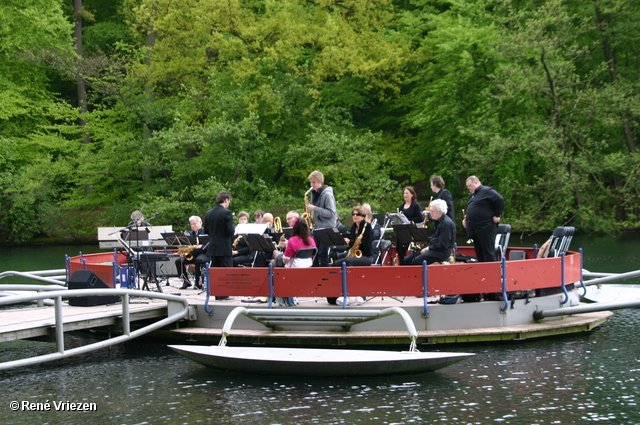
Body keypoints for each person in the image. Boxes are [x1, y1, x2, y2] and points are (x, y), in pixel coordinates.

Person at [462, 176, 505, 263]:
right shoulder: (472, 196)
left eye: (469, 185)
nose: (468, 188)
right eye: (467, 186)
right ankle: (481, 273)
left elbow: (499, 199)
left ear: (476, 183)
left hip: (485, 227)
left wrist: (497, 215)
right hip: (475, 228)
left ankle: (491, 273)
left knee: (488, 252)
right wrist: (467, 220)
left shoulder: (486, 191)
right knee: (479, 252)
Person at [403, 200, 456, 265]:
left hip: (442, 252)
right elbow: (436, 238)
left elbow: (443, 244)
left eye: (432, 211)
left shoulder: (445, 224)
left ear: (440, 212)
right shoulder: (438, 221)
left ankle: (416, 275)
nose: (430, 213)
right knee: (407, 259)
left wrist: (428, 249)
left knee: (416, 260)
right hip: (435, 248)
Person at [306, 170, 337, 267]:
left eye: (314, 182)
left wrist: (314, 208)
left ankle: (325, 277)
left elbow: (331, 213)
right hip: (318, 228)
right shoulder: (314, 193)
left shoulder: (327, 194)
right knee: (314, 254)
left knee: (323, 254)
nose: (312, 184)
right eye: (311, 182)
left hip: (327, 229)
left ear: (320, 182)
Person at [204, 191, 235, 278]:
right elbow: (230, 231)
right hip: (224, 247)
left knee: (215, 272)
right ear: (226, 200)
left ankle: (215, 290)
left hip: (213, 247)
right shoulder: (227, 213)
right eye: (229, 201)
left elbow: (206, 231)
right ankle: (227, 291)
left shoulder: (209, 213)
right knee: (227, 272)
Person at [175, 216, 209, 290]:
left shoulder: (206, 232)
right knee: (178, 261)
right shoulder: (189, 234)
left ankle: (198, 282)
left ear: (200, 222)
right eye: (191, 224)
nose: (193, 226)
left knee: (198, 260)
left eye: (194, 224)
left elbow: (208, 244)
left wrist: (201, 245)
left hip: (203, 253)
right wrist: (183, 248)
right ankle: (186, 281)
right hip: (192, 254)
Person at [396, 187, 422, 265]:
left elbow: (420, 218)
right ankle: (402, 263)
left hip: (413, 230)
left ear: (412, 195)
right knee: (400, 246)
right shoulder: (401, 206)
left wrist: (408, 220)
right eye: (404, 193)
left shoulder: (416, 205)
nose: (405, 195)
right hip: (403, 230)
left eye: (407, 193)